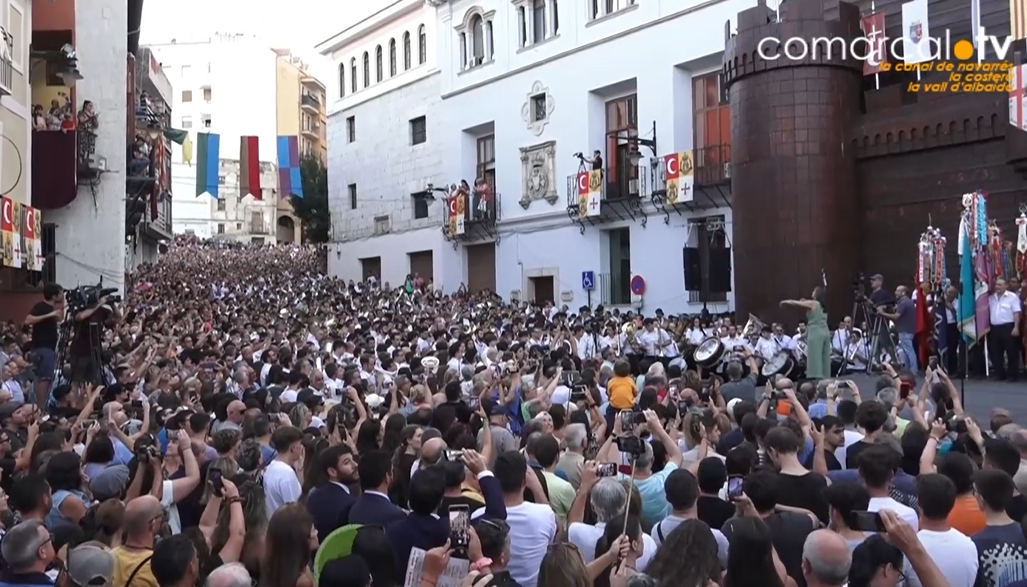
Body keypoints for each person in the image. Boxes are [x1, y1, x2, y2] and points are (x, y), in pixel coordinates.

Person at [24, 283, 65, 407]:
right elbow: (28, 320)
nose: (62, 295)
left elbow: (60, 320)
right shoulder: (41, 306)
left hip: (49, 348)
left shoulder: (51, 308)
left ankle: (41, 405)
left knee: (46, 377)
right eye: (61, 293)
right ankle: (41, 408)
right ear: (54, 295)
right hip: (43, 348)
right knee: (45, 378)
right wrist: (49, 315)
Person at [781, 286, 831, 379]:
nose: (812, 292)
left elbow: (796, 303)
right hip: (825, 332)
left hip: (816, 333)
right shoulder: (823, 306)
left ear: (817, 294)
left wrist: (785, 302)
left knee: (815, 357)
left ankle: (816, 379)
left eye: (814, 291)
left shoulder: (814, 303)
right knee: (824, 357)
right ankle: (825, 378)